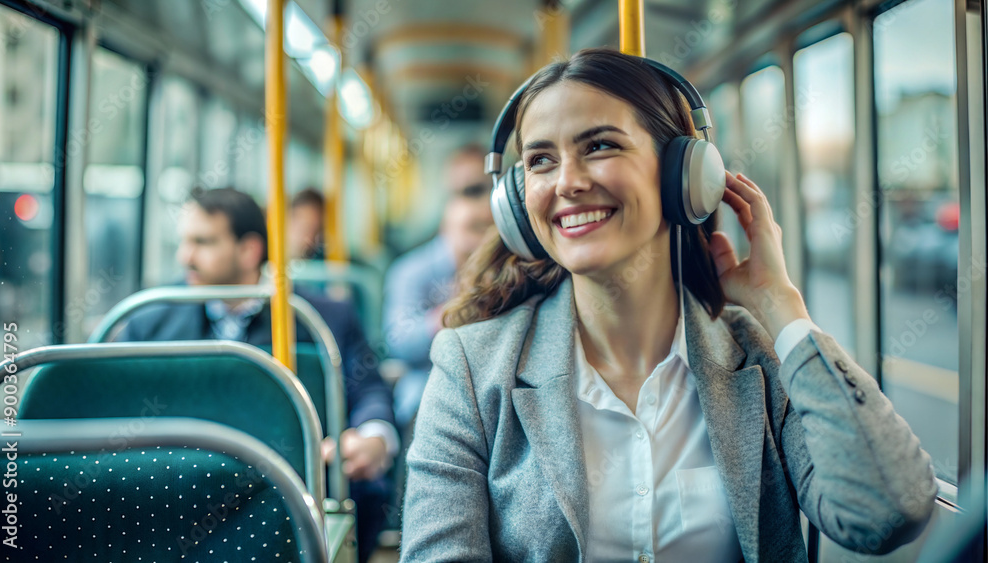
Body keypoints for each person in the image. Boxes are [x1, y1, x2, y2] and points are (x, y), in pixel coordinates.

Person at [401, 49, 937, 562]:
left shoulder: (761, 356)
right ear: (518, 201)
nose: (567, 182)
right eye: (541, 160)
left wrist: (782, 307)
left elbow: (889, 509)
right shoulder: (470, 369)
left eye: (600, 146)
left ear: (684, 173)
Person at [117, 187, 396, 562]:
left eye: (203, 242)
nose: (186, 257)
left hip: (291, 491)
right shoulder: (149, 319)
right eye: (184, 241)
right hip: (173, 492)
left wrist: (372, 436)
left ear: (249, 250)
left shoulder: (322, 318)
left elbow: (367, 393)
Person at [382, 144, 493, 429]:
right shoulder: (411, 271)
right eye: (466, 194)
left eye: (481, 190)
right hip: (427, 392)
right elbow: (399, 342)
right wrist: (453, 313)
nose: (478, 207)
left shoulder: (507, 269)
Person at [288, 187, 326, 260]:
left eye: (316, 230)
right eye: (305, 228)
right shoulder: (265, 254)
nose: (310, 238)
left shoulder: (320, 259)